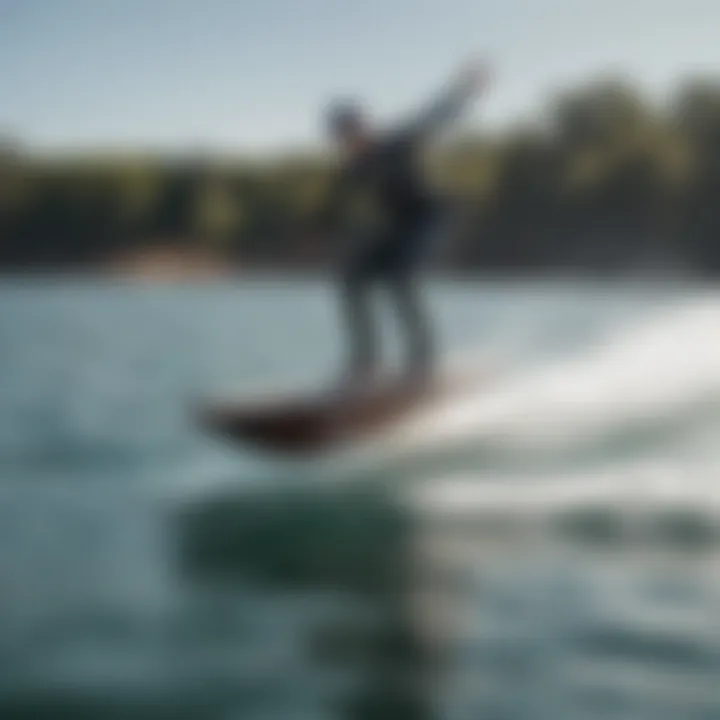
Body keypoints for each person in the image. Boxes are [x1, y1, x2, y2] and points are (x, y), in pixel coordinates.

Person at [315, 58, 491, 387]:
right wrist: (319, 233)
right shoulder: (354, 168)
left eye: (351, 134)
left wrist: (464, 90)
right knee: (352, 275)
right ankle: (365, 364)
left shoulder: (396, 142)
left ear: (364, 127)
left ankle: (423, 363)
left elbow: (433, 117)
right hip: (399, 227)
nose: (347, 144)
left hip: (432, 218)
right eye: (341, 139)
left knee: (400, 275)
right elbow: (331, 209)